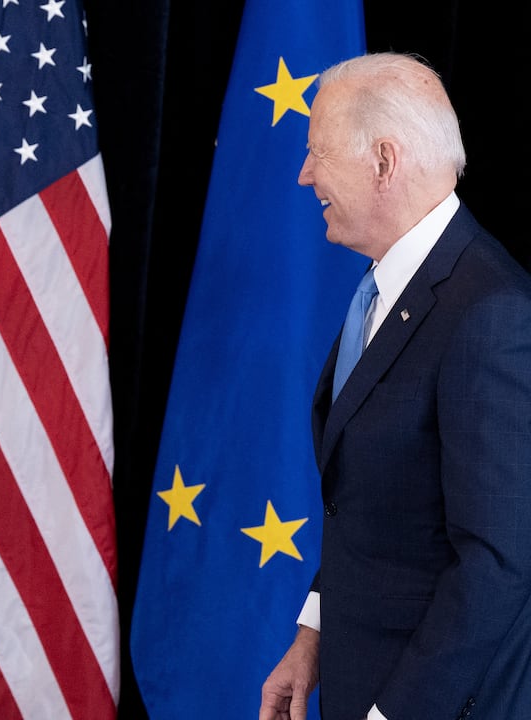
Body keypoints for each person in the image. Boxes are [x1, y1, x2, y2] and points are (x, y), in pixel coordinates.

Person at [259, 52, 531, 720]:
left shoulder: (489, 310)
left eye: (318, 151)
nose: (305, 173)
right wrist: (313, 636)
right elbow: (370, 503)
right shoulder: (389, 287)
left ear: (383, 161)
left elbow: (498, 562)